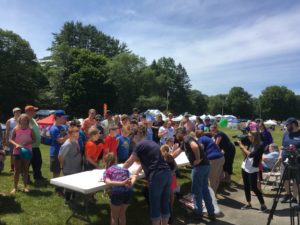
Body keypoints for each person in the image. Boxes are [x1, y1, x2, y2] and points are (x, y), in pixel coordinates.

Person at [123, 125, 172, 225]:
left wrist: (117, 170)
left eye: (132, 136)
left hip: (157, 175)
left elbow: (129, 162)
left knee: (155, 204)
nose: (132, 139)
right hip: (167, 173)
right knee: (164, 202)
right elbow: (148, 160)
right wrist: (137, 171)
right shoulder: (151, 142)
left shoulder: (139, 145)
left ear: (137, 134)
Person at [172, 127, 215, 220]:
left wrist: (198, 159)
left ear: (180, 133)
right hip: (205, 166)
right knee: (204, 190)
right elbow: (176, 153)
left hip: (199, 167)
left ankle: (198, 212)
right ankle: (211, 213)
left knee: (196, 191)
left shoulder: (187, 138)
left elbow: (195, 146)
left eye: (176, 134)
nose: (176, 136)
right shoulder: (185, 141)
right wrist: (168, 157)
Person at [103, 152, 137, 225]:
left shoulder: (107, 171)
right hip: (128, 192)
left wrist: (122, 183)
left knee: (114, 217)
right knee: (122, 214)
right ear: (116, 161)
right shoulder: (124, 169)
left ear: (105, 162)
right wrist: (130, 184)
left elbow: (108, 182)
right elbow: (134, 176)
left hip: (118, 193)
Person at [238, 131, 267, 212]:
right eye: (248, 136)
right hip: (245, 166)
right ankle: (248, 203)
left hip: (253, 168)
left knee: (254, 187)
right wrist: (242, 148)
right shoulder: (251, 143)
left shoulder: (260, 145)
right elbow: (246, 155)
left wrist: (242, 146)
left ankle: (263, 205)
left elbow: (251, 155)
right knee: (246, 186)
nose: (248, 137)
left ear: (255, 136)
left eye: (250, 136)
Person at [9, 114, 36, 194]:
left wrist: (28, 142)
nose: (23, 121)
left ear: (27, 121)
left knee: (25, 170)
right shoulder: (16, 129)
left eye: (25, 120)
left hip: (27, 152)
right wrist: (16, 144)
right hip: (17, 151)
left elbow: (34, 139)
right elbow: (10, 140)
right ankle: (15, 187)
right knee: (17, 170)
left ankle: (25, 186)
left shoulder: (30, 129)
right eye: (22, 120)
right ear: (19, 120)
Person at [58, 127, 82, 204]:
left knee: (75, 184)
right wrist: (62, 166)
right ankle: (67, 199)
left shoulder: (75, 141)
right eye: (74, 136)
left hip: (76, 168)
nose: (76, 137)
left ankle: (73, 198)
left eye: (77, 136)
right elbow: (60, 156)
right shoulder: (67, 145)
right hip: (69, 168)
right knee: (69, 185)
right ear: (69, 135)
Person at [196, 130, 225, 194]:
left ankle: (211, 197)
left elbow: (201, 149)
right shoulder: (208, 138)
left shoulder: (201, 139)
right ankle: (214, 193)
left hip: (214, 159)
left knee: (212, 179)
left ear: (197, 136)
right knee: (216, 178)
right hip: (221, 157)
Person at [279, 117, 300, 203]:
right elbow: (282, 146)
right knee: (285, 179)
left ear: (293, 124)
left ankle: (294, 198)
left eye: (287, 125)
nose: (286, 127)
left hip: (297, 162)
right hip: (285, 162)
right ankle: (288, 194)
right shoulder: (286, 134)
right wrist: (280, 155)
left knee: (296, 181)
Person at [25, 105, 45, 181]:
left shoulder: (33, 119)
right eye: (34, 110)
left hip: (35, 146)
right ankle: (26, 178)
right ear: (28, 112)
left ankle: (37, 176)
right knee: (27, 163)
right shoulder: (25, 121)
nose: (35, 112)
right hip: (29, 146)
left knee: (38, 161)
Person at [160, 144, 177, 224]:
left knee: (166, 194)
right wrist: (173, 172)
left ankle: (166, 208)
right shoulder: (171, 157)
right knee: (172, 193)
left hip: (167, 178)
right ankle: (171, 207)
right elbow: (176, 166)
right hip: (173, 176)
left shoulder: (163, 158)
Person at [49, 110, 68, 179]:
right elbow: (60, 141)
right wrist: (69, 135)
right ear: (57, 117)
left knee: (65, 170)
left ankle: (62, 185)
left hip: (64, 152)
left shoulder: (64, 127)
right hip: (56, 153)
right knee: (56, 171)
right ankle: (56, 187)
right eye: (63, 117)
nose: (65, 119)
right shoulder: (53, 129)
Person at [5, 107, 21, 172]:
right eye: (16, 112)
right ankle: (12, 167)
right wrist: (6, 140)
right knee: (12, 154)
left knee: (20, 153)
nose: (18, 113)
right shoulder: (9, 121)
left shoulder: (22, 120)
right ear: (13, 113)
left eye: (19, 112)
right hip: (12, 140)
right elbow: (7, 131)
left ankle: (19, 166)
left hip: (20, 140)